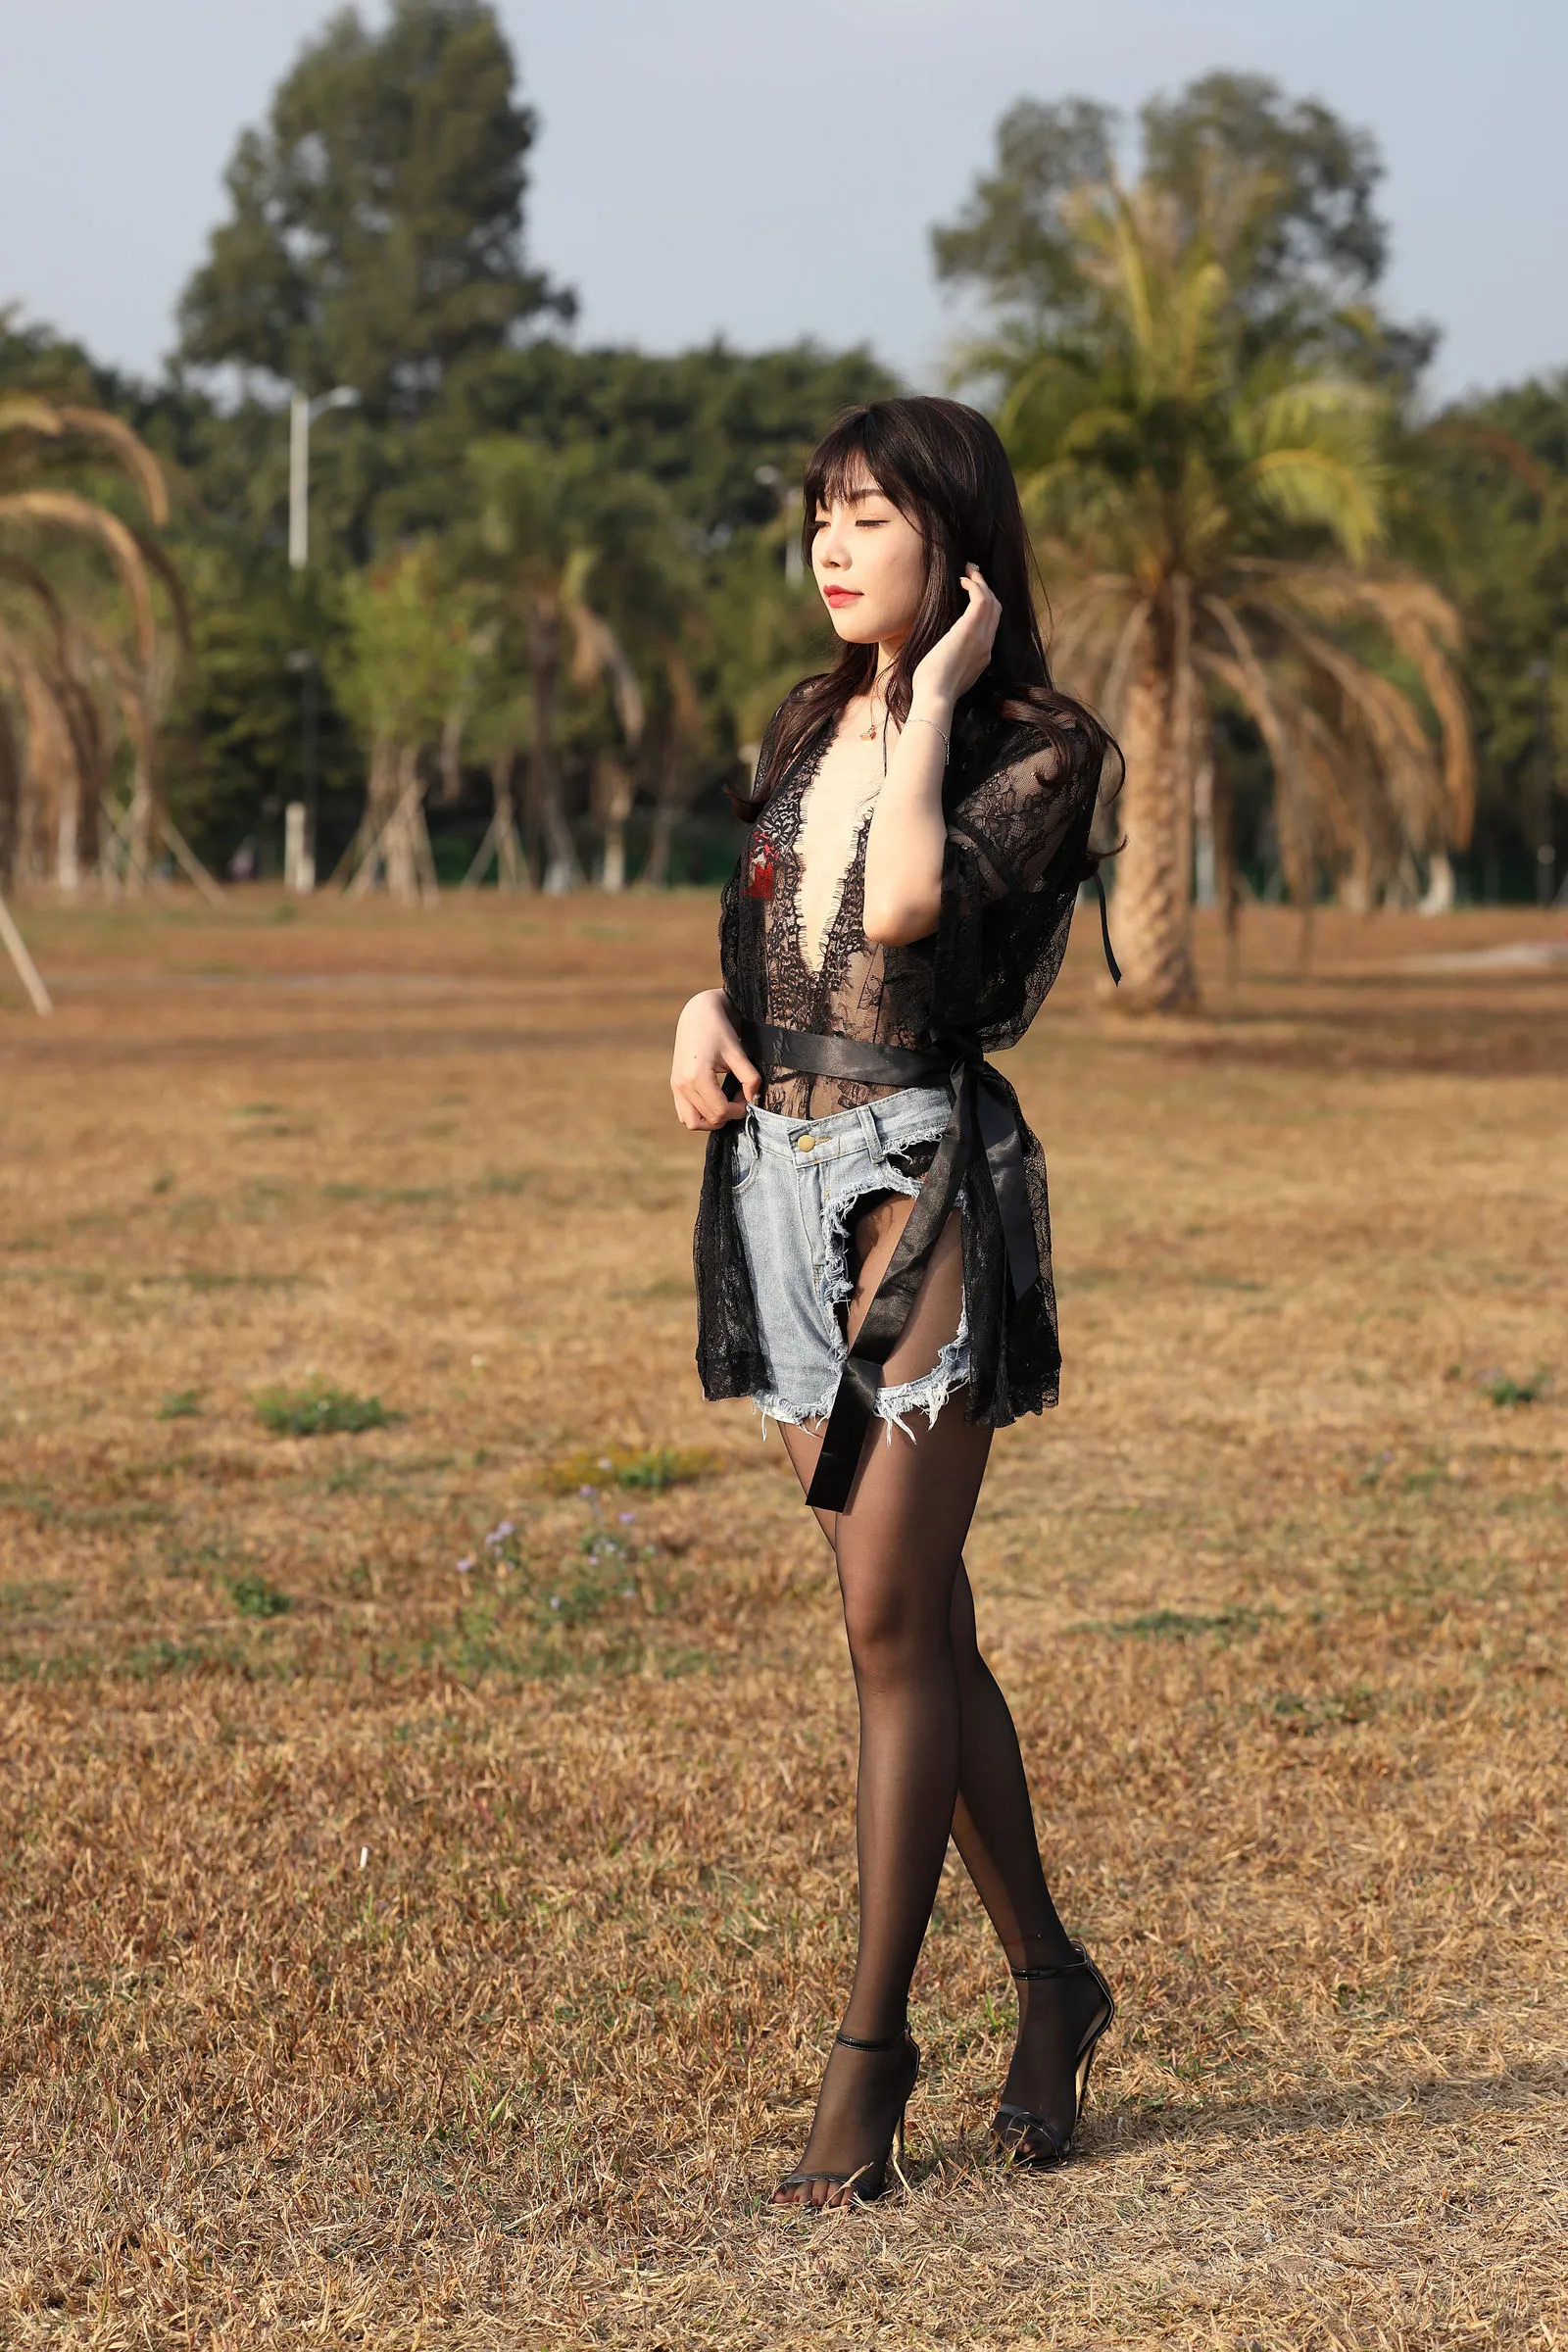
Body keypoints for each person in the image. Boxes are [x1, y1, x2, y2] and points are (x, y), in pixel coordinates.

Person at [670, 397, 1120, 2211]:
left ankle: (870, 2061)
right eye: (820, 518)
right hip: (771, 1179)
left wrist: (931, 703)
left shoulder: (1040, 746)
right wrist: (697, 1015)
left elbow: (913, 908)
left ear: (960, 544)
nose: (832, 549)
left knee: (883, 1621)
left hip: (916, 1178)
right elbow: (768, 943)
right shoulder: (803, 722)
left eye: (870, 517)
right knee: (917, 1615)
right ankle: (1055, 1985)